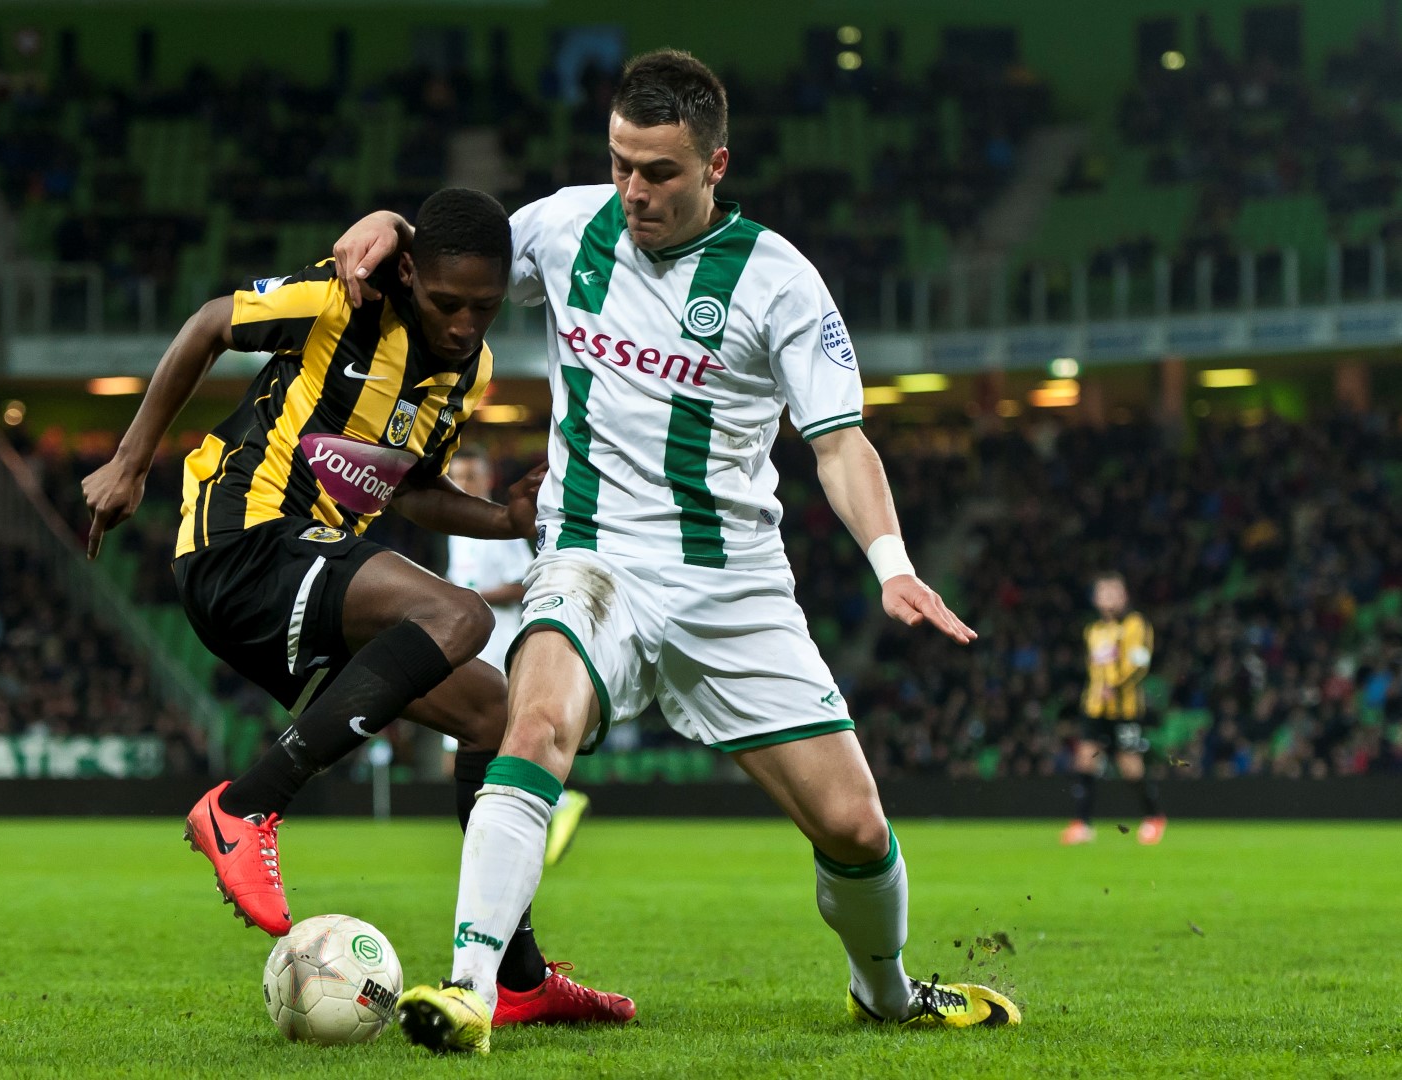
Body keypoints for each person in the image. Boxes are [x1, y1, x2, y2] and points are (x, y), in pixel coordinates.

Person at [333, 52, 1021, 1055]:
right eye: (621, 165)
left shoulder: (779, 281)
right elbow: (457, 258)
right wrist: (396, 224)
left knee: (855, 829)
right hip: (592, 557)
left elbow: (839, 444)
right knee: (535, 725)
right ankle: (470, 988)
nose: (634, 191)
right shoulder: (567, 226)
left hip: (731, 584)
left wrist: (892, 564)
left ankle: (884, 991)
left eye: (658, 172)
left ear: (715, 165)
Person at [81, 187, 633, 1027]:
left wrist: (502, 520)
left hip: (309, 567)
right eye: (445, 303)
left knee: (496, 716)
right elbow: (207, 324)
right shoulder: (345, 300)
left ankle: (518, 978)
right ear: (408, 273)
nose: (463, 325)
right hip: (239, 538)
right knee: (462, 618)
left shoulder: (468, 373)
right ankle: (245, 805)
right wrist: (131, 461)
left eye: (483, 308)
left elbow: (404, 486)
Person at [445, 448, 591, 867]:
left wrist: (471, 597)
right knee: (474, 746)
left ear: (487, 480)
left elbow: (525, 582)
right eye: (456, 477)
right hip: (469, 647)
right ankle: (524, 821)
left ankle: (553, 805)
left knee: (500, 739)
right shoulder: (457, 531)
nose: (462, 485)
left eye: (470, 477)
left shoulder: (498, 526)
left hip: (499, 646)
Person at [1062, 572, 1165, 846]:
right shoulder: (1092, 630)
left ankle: (1154, 817)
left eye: (1114, 592)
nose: (1109, 597)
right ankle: (1082, 824)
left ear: (1124, 596)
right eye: (1104, 592)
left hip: (1125, 710)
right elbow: (1094, 669)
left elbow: (1140, 663)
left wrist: (1116, 686)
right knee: (1085, 759)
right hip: (1095, 708)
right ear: (1095, 598)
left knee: (1130, 766)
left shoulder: (1136, 624)